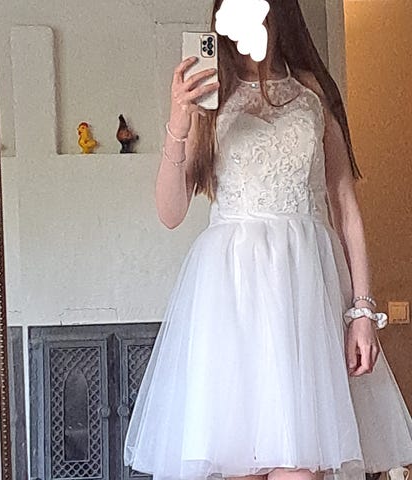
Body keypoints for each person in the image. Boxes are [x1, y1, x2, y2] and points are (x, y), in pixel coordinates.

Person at [123, 1, 412, 480]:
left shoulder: (313, 90)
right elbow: (170, 213)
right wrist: (178, 121)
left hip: (305, 296)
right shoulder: (210, 93)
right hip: (231, 298)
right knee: (239, 460)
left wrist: (363, 311)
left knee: (302, 464)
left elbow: (344, 204)